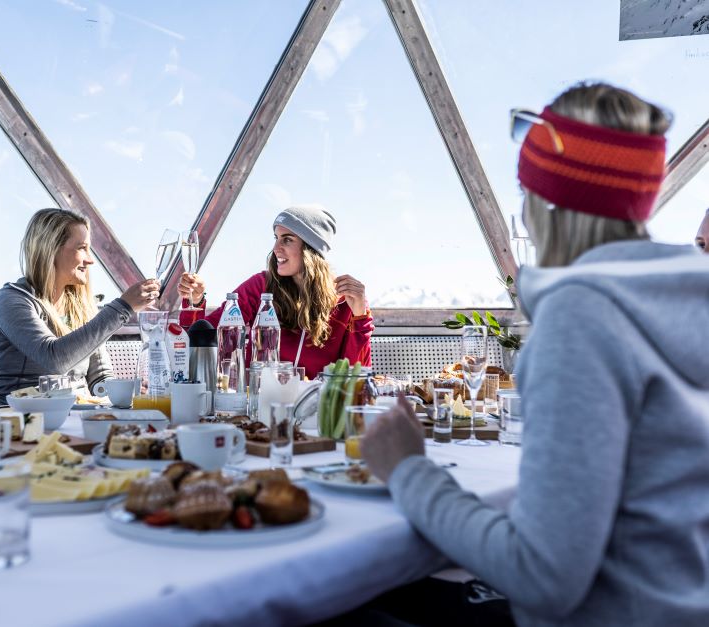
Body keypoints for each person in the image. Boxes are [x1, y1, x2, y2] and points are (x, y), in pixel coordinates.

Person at [361, 83, 709, 626]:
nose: (522, 214)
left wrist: (406, 470)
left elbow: (541, 578)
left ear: (549, 204)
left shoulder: (582, 318)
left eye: (526, 192)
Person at [177, 205, 373, 380]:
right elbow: (204, 335)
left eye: (287, 240)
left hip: (311, 410)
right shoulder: (261, 286)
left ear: (311, 250)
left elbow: (356, 377)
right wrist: (195, 300)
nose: (276, 249)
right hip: (253, 406)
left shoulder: (345, 302)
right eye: (276, 238)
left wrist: (359, 317)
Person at [0, 208, 160, 403]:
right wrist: (123, 308)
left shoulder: (81, 304)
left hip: (77, 414)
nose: (90, 260)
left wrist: (127, 392)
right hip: (24, 418)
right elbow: (54, 359)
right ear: (50, 249)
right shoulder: (11, 300)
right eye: (82, 247)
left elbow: (99, 378)